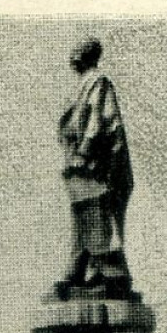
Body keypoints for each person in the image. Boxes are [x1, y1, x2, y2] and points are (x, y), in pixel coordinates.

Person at [57, 38, 135, 295]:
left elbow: (98, 121)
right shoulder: (83, 84)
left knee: (96, 212)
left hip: (95, 166)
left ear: (86, 55)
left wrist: (83, 151)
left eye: (76, 51)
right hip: (81, 165)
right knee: (82, 214)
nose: (71, 55)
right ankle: (80, 268)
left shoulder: (97, 82)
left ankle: (110, 274)